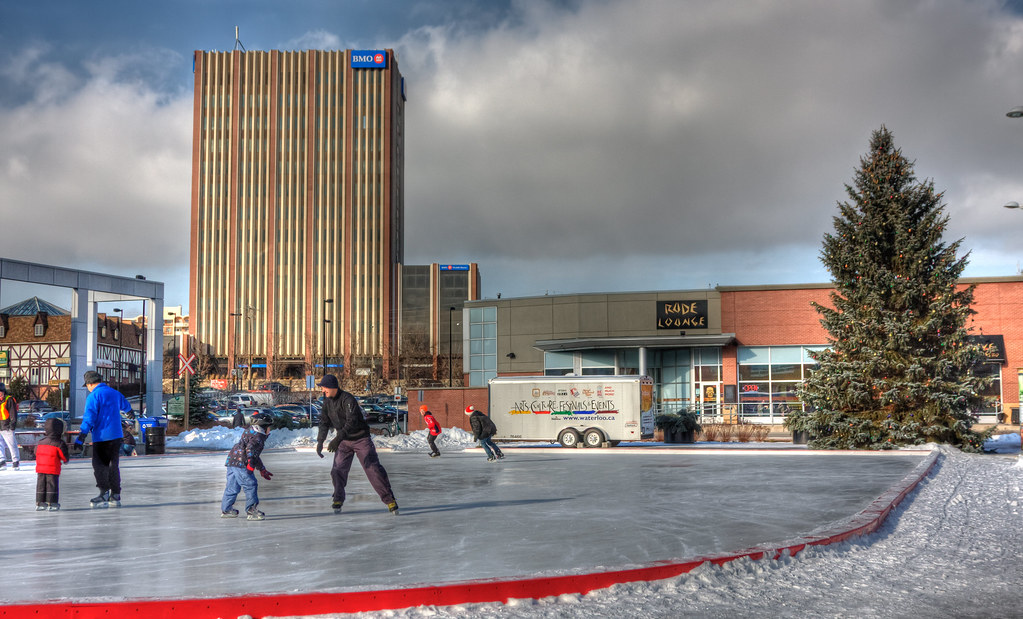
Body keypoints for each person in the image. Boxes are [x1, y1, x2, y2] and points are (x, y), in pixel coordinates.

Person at [315, 374, 398, 515]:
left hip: (361, 439)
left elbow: (351, 421)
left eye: (324, 387)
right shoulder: (327, 402)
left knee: (372, 469)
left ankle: (389, 500)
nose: (323, 390)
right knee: (337, 470)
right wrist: (320, 441)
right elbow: (324, 422)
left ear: (332, 387)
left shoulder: (348, 399)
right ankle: (338, 499)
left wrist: (337, 438)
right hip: (344, 441)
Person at [74, 371, 131, 508]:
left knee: (100, 466)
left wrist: (82, 435)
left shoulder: (94, 396)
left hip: (102, 437)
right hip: (116, 435)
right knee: (113, 465)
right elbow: (126, 405)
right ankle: (115, 494)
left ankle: (104, 493)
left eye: (87, 385)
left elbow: (89, 417)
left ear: (90, 384)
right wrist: (129, 411)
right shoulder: (114, 393)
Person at [221, 412, 274, 521]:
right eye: (269, 427)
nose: (270, 430)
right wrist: (250, 463)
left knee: (232, 487)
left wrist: (262, 469)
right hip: (242, 463)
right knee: (250, 484)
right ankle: (251, 510)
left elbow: (255, 455)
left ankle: (226, 510)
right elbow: (250, 450)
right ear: (262, 426)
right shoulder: (258, 437)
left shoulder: (250, 431)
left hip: (232, 460)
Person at [34, 417, 69, 511]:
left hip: (41, 469)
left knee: (41, 485)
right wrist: (66, 460)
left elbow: (35, 452)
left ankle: (40, 502)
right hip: (53, 469)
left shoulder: (40, 442)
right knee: (52, 485)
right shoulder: (59, 443)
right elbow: (63, 455)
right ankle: (52, 503)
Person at [0, 382, 20, 471]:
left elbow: (13, 414)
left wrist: (12, 425)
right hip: (0, 426)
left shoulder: (9, 400)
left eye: (0, 392)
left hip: (7, 426)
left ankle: (15, 461)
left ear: (4, 392)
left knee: (12, 444)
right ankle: (2, 460)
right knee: (0, 445)